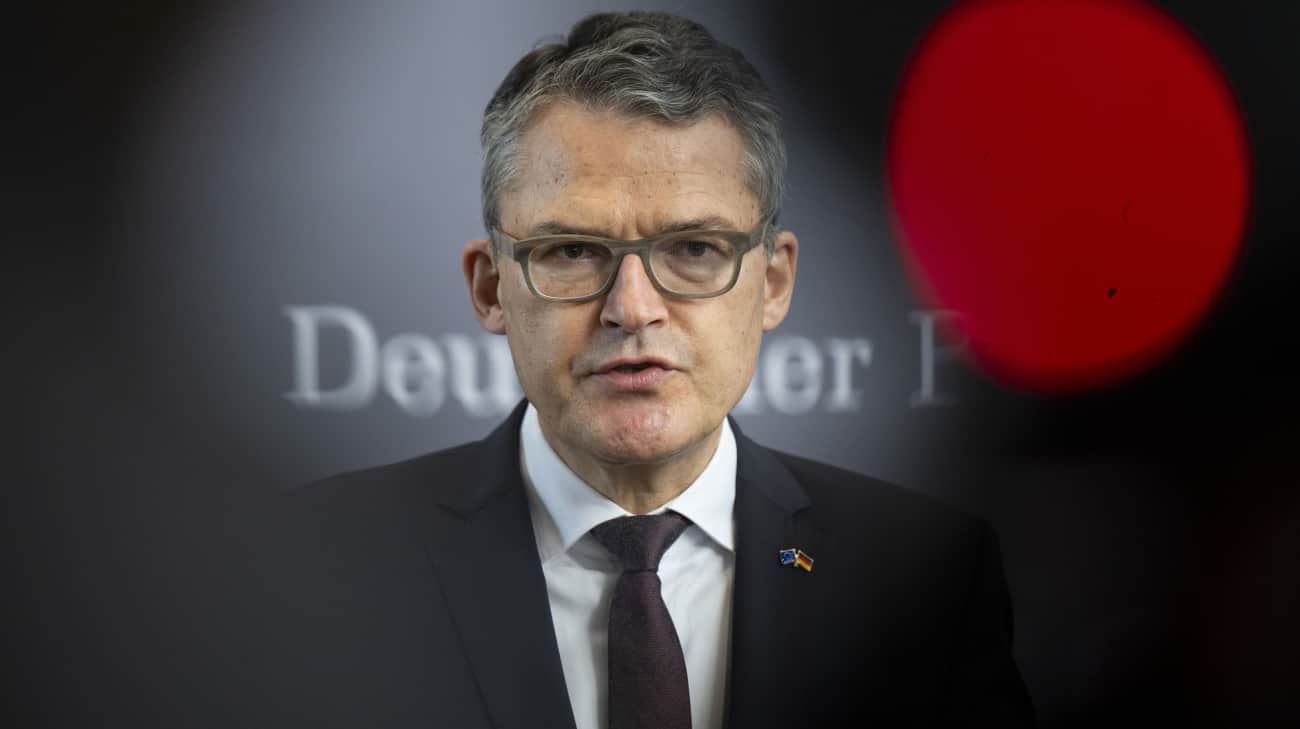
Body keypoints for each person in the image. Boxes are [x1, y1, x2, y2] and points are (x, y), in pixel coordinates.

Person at [266, 10, 1034, 728]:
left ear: (773, 283)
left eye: (694, 249)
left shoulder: (928, 580)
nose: (632, 308)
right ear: (491, 287)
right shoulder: (319, 569)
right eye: (572, 250)